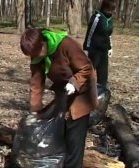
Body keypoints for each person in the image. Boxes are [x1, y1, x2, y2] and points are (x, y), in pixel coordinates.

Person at [20, 28, 98, 168]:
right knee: (59, 130)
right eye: (32, 55)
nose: (35, 56)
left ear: (43, 43)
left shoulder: (66, 45)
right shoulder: (37, 55)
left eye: (37, 53)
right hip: (64, 91)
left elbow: (86, 67)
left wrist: (74, 82)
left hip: (82, 91)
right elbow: (36, 83)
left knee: (74, 135)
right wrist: (35, 110)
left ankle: (74, 164)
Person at [83, 0, 116, 88]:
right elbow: (90, 33)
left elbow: (108, 35)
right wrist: (86, 47)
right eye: (109, 9)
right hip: (94, 49)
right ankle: (83, 89)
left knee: (103, 74)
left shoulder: (110, 19)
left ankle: (101, 91)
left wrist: (110, 47)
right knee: (89, 71)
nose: (110, 11)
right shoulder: (97, 17)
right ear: (104, 7)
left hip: (104, 49)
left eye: (112, 10)